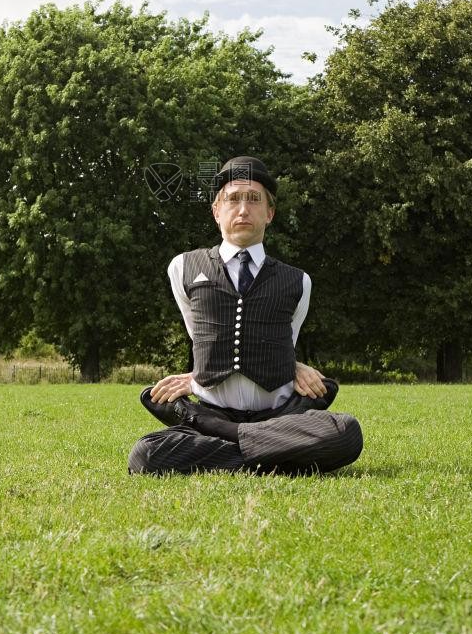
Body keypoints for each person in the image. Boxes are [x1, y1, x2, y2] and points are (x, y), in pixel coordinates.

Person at [128, 155, 363, 476]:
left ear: (269, 213)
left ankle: (231, 445)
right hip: (215, 413)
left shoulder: (299, 281)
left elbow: (285, 341)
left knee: (345, 432)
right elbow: (201, 336)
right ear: (216, 211)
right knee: (147, 453)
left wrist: (292, 364)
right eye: (232, 199)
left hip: (278, 418)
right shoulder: (182, 268)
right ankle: (279, 457)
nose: (242, 209)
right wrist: (196, 379)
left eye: (253, 199)